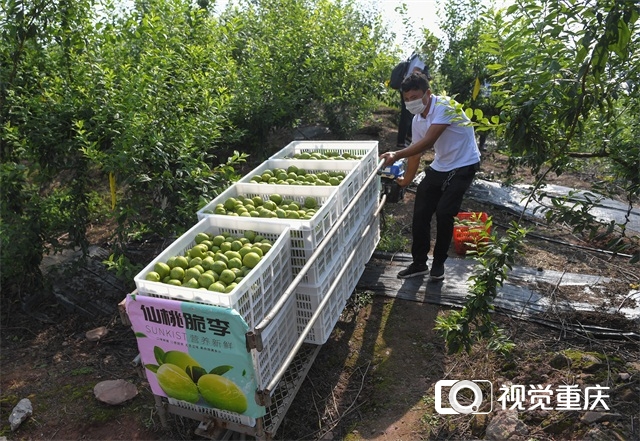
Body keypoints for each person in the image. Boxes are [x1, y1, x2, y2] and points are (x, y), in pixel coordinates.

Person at [381, 72, 481, 282]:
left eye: (415, 98)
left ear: (428, 93)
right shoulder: (418, 120)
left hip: (464, 164)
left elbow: (427, 143)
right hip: (441, 164)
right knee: (421, 212)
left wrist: (396, 154)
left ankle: (438, 264)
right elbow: (416, 153)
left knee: (445, 212)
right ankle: (419, 263)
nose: (411, 103)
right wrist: (406, 181)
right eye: (407, 99)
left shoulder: (445, 106)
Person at [396, 53, 427, 150]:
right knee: (407, 116)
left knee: (409, 115)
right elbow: (416, 72)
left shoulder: (414, 56)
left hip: (406, 88)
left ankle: (408, 137)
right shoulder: (423, 57)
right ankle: (401, 141)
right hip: (411, 88)